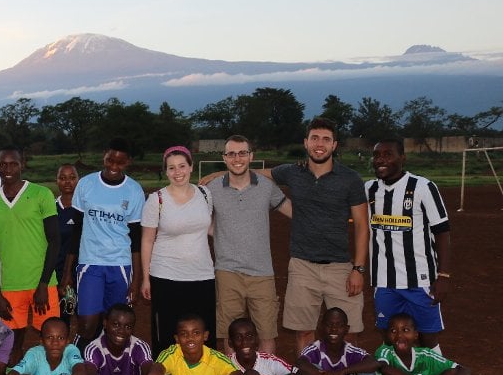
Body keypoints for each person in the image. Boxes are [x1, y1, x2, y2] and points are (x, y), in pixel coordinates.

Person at [270, 118, 369, 353]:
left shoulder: (350, 179)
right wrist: (221, 174)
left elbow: (362, 226)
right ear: (306, 142)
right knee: (304, 331)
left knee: (350, 333)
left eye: (326, 139)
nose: (319, 144)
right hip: (303, 267)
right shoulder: (293, 172)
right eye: (315, 138)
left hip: (340, 268)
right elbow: (260, 173)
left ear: (334, 145)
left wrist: (359, 269)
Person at [207, 135, 292, 355]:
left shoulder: (266, 186)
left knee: (266, 334)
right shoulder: (212, 189)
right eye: (232, 154)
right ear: (224, 158)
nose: (237, 158)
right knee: (228, 334)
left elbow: (292, 212)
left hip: (262, 273)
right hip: (227, 272)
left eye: (242, 153)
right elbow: (201, 222)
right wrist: (221, 233)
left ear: (251, 156)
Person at [366, 138, 452, 353]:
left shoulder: (423, 187)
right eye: (377, 155)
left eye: (388, 154)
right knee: (389, 338)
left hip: (421, 281)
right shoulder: (368, 189)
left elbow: (442, 232)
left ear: (402, 157)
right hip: (384, 282)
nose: (380, 160)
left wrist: (443, 276)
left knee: (428, 338)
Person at [60, 138, 144, 351]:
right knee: (87, 324)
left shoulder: (134, 191)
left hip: (120, 265)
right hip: (90, 263)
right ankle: (76, 363)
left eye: (120, 162)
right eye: (110, 160)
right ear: (104, 155)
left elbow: (135, 239)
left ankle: (105, 367)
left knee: (114, 324)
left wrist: (136, 279)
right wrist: (68, 271)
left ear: (128, 162)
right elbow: (76, 230)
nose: (114, 167)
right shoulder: (87, 184)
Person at [0, 145, 60, 359]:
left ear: (22, 165)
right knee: (11, 343)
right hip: (10, 286)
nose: (8, 168)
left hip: (42, 284)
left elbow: (55, 241)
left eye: (13, 163)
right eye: (3, 164)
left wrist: (44, 283)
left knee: (48, 340)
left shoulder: (41, 194)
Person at [140, 146, 215, 355]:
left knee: (203, 332)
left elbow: (207, 227)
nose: (178, 172)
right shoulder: (157, 200)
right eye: (171, 168)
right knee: (168, 334)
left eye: (182, 166)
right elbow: (147, 240)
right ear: (166, 171)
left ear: (191, 167)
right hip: (166, 276)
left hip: (202, 275)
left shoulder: (205, 193)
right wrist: (146, 279)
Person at [55, 164, 80, 325]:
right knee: (64, 315)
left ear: (78, 180)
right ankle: (63, 350)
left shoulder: (85, 208)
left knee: (85, 316)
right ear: (56, 181)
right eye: (62, 178)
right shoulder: (50, 208)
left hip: (82, 272)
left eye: (72, 178)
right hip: (59, 273)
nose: (67, 182)